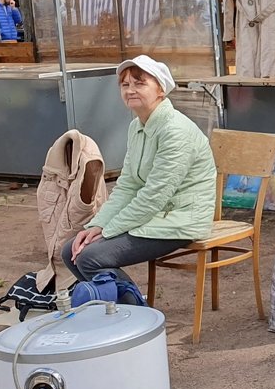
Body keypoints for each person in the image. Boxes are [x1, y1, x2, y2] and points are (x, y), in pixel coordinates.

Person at [62, 55, 216, 298]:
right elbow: (128, 185)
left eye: (140, 83)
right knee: (71, 250)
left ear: (160, 90)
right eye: (125, 85)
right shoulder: (137, 126)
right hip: (155, 216)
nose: (130, 90)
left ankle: (134, 312)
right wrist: (97, 225)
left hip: (180, 220)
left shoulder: (175, 131)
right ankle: (114, 310)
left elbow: (154, 196)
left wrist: (109, 230)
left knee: (90, 257)